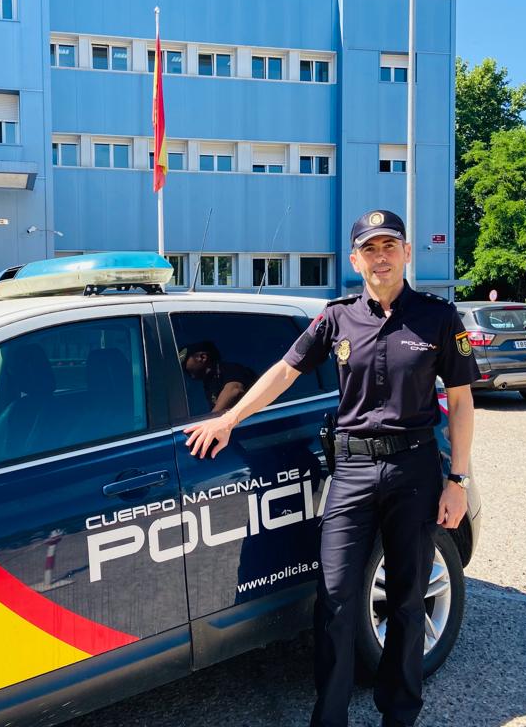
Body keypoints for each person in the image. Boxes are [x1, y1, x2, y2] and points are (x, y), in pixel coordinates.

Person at [184, 210, 479, 727]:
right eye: (370, 248)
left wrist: (458, 480)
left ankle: (399, 714)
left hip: (414, 472)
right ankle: (331, 717)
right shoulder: (336, 317)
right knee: (338, 598)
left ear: (407, 253)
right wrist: (229, 418)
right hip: (352, 474)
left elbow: (460, 401)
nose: (381, 256)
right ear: (354, 259)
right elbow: (284, 371)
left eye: (390, 245)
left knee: (408, 600)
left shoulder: (438, 317)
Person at [180, 340, 257, 413]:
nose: (183, 369)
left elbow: (234, 390)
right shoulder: (209, 384)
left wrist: (210, 421)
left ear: (202, 357)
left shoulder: (228, 368)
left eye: (184, 362)